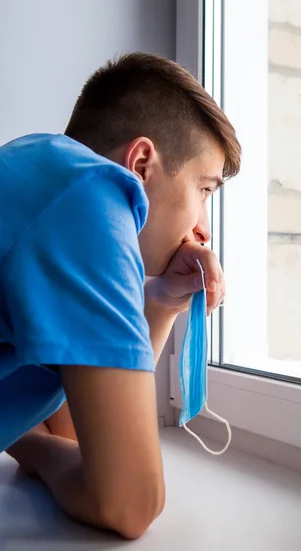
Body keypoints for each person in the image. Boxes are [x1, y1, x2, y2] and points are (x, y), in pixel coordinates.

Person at [0, 53, 241, 539]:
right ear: (141, 163)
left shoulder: (41, 177)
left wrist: (166, 304)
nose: (202, 229)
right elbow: (130, 501)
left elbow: (73, 429)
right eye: (204, 189)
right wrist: (37, 450)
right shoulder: (91, 196)